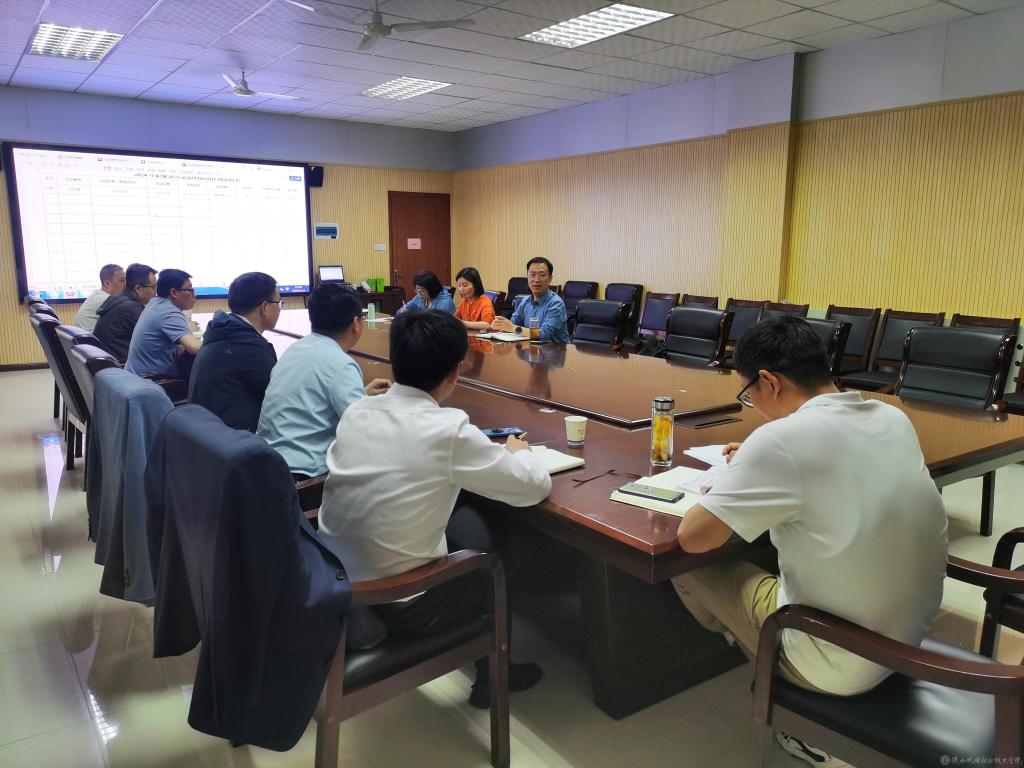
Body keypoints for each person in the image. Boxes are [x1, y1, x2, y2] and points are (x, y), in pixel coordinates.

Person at [671, 315, 947, 767]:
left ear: (769, 382)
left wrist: (756, 461)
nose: (751, 404)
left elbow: (693, 538)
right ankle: (751, 638)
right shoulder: (890, 416)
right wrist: (757, 461)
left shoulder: (779, 442)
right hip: (908, 640)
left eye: (748, 394)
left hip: (836, 663)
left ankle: (773, 678)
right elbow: (830, 461)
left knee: (691, 567)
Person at [318, 309, 551, 708]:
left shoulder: (358, 410)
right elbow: (533, 487)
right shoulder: (447, 429)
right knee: (492, 542)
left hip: (334, 586)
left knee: (466, 514)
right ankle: (496, 677)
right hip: (398, 605)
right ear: (456, 371)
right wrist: (521, 452)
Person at [257, 283, 390, 481]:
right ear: (356, 323)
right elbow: (363, 430)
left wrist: (361, 395)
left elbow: (315, 399)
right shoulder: (341, 364)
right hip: (302, 475)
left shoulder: (297, 349)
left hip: (265, 461)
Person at [188, 272, 281, 432]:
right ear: (265, 307)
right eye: (279, 302)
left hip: (204, 436)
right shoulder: (249, 348)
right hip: (234, 440)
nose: (279, 308)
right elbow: (282, 398)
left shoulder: (223, 330)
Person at [125, 268, 201, 378]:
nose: (195, 295)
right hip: (152, 382)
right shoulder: (168, 312)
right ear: (174, 292)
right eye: (190, 290)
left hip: (136, 378)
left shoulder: (156, 304)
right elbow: (195, 348)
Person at [490, 257, 569, 343]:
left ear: (550, 278)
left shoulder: (556, 303)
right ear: (527, 277)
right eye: (533, 275)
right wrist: (501, 325)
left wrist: (512, 328)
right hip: (530, 348)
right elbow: (513, 323)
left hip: (555, 350)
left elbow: (544, 335)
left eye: (542, 275)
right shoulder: (525, 301)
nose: (537, 280)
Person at [94, 263, 157, 363]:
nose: (156, 291)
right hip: (121, 366)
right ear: (138, 289)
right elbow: (157, 337)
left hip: (110, 364)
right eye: (153, 286)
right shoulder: (130, 309)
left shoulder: (119, 300)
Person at [75, 264, 125, 332]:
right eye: (122, 280)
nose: (126, 284)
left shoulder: (97, 294)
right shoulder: (107, 299)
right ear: (107, 283)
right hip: (92, 338)